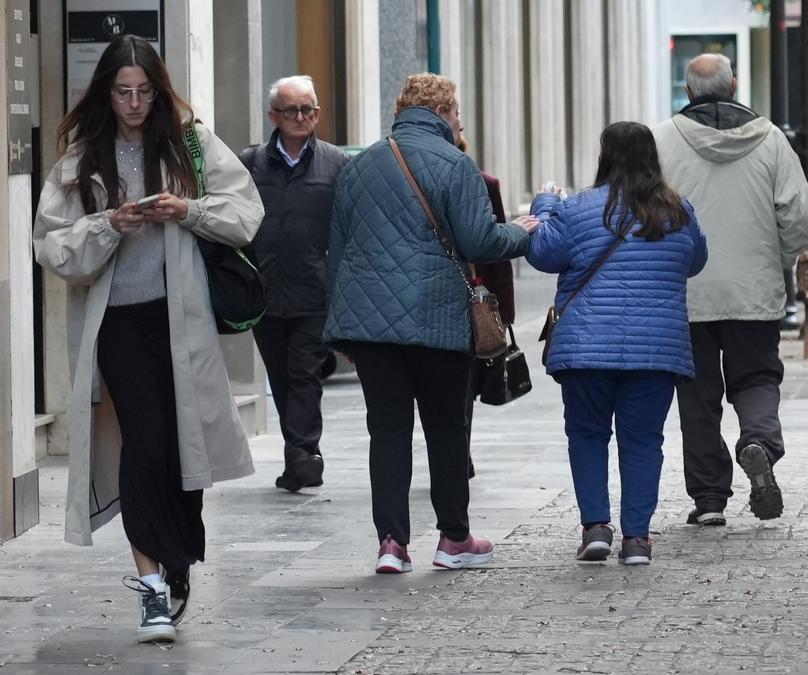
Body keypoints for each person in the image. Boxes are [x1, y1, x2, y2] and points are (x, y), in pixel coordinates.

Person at [33, 34, 264, 643]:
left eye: (142, 92)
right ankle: (152, 589)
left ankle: (177, 557)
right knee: (145, 442)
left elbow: (245, 212)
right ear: (105, 93)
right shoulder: (81, 157)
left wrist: (185, 212)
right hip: (117, 325)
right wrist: (109, 223)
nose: (133, 103)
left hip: (179, 317)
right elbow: (51, 245)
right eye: (121, 92)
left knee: (179, 447)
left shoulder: (190, 142)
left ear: (158, 92)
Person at [323, 73, 537, 574]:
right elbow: (481, 242)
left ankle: (392, 544)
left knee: (389, 430)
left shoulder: (359, 167)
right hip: (437, 316)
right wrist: (522, 232)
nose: (460, 122)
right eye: (457, 113)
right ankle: (453, 539)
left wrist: (343, 326)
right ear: (442, 112)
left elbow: (337, 253)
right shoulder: (455, 163)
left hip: (371, 324)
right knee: (446, 428)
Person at [528, 121, 706, 565]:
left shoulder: (579, 208)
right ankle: (637, 539)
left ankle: (595, 528)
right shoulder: (678, 210)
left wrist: (546, 204)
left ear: (605, 155)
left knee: (587, 434)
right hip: (656, 349)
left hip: (587, 349)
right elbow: (696, 260)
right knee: (644, 440)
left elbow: (543, 254)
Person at [652, 53, 808, 526]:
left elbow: (646, 211)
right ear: (735, 85)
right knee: (758, 378)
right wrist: (780, 260)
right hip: (754, 291)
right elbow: (797, 215)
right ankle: (759, 440)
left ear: (687, 92)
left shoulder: (661, 140)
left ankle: (709, 499)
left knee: (697, 395)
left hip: (685, 294)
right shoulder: (771, 141)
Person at [240, 75, 349, 492]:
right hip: (263, 295)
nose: (301, 117)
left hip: (314, 292)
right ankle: (296, 457)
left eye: (308, 110)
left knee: (305, 373)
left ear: (317, 113)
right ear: (274, 116)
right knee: (282, 377)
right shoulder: (250, 164)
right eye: (292, 110)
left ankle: (305, 452)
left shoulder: (337, 165)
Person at [455, 133, 516, 480]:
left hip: (476, 301)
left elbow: (499, 251)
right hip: (441, 298)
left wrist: (504, 313)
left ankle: (460, 450)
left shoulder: (486, 184)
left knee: (466, 383)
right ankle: (457, 451)